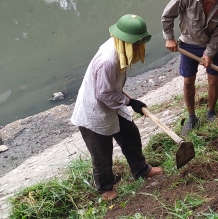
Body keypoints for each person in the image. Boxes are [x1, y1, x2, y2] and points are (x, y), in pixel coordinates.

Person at [70, 14, 163, 202]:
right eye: (137, 44)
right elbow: (103, 94)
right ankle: (105, 188)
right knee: (101, 152)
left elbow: (111, 87)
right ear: (127, 41)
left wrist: (129, 100)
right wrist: (130, 102)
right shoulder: (108, 60)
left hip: (112, 104)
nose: (139, 48)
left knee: (130, 135)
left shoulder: (120, 48)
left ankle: (141, 169)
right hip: (94, 111)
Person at [162, 0, 218, 135]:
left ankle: (210, 112)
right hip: (188, 44)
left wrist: (209, 53)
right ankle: (192, 117)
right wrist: (169, 38)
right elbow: (167, 16)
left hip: (212, 45)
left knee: (214, 79)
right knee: (188, 81)